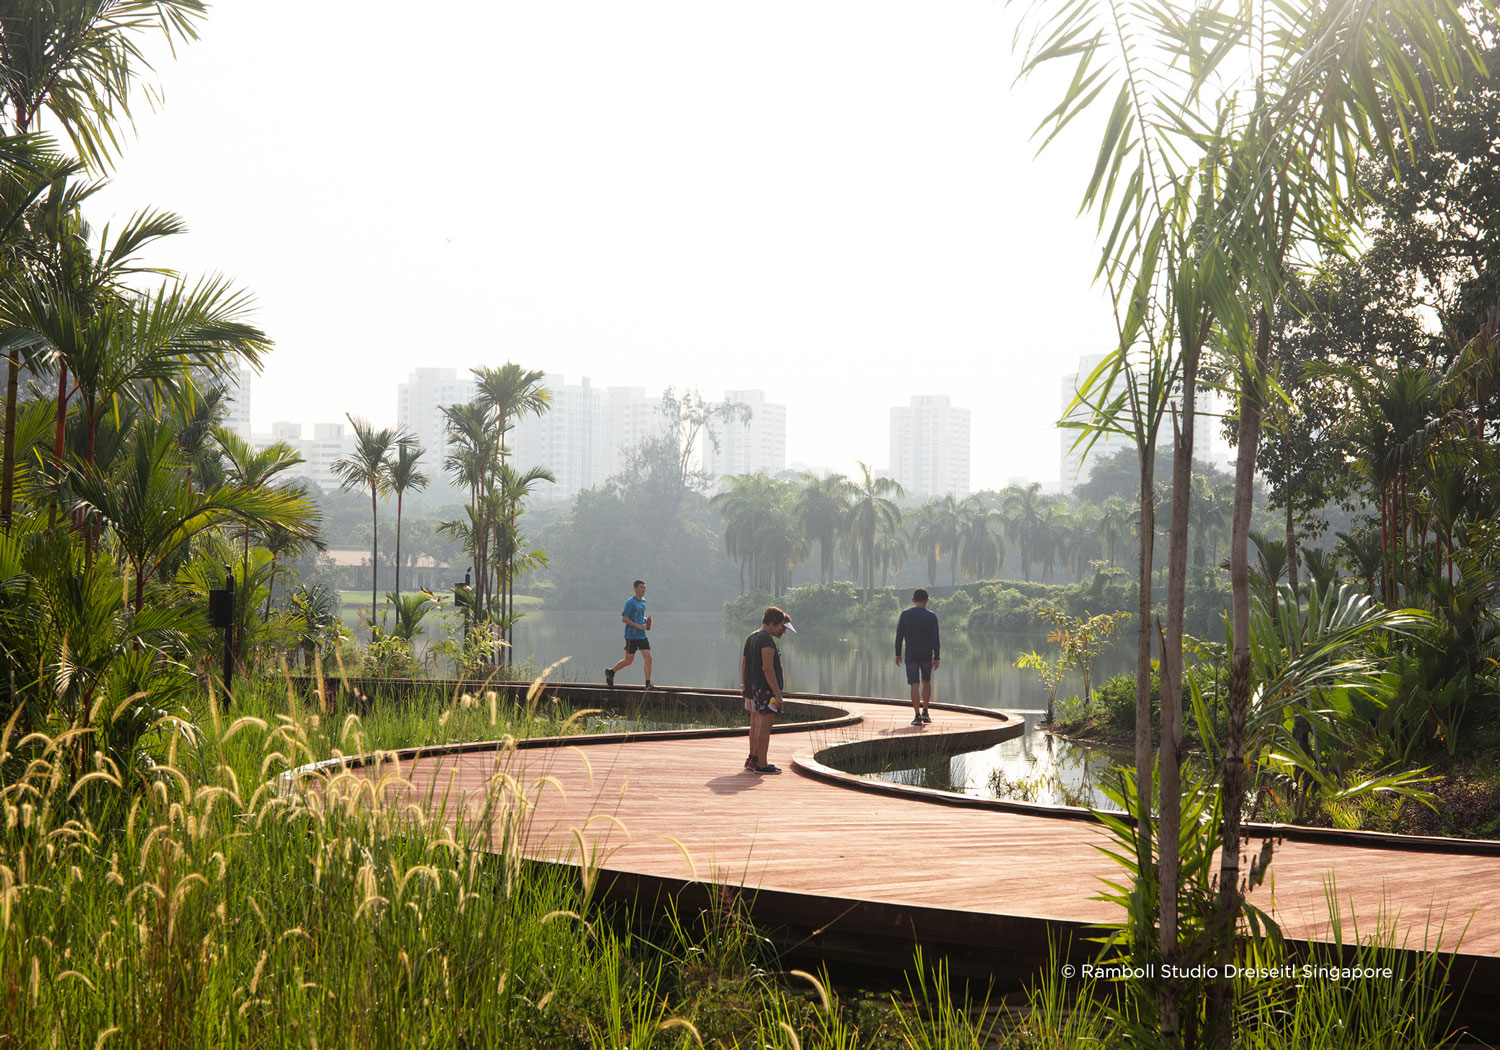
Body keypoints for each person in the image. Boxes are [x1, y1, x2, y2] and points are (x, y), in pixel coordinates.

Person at [740, 605, 795, 774]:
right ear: (773, 622)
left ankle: (754, 760)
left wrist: (745, 685)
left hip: (755, 688)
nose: (782, 631)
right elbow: (767, 668)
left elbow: (744, 663)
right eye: (781, 627)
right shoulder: (766, 640)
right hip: (766, 690)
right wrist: (778, 694)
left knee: (756, 725)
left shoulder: (754, 637)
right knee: (764, 726)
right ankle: (762, 764)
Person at [895, 588, 940, 726]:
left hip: (911, 655)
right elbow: (935, 639)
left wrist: (898, 654)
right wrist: (936, 656)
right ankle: (925, 711)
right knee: (926, 681)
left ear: (913, 600)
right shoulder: (932, 617)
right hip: (926, 654)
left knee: (914, 685)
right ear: (927, 600)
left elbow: (899, 637)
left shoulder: (905, 615)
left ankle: (917, 716)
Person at [606, 579, 653, 689]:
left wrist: (647, 621)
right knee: (628, 661)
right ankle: (611, 672)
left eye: (644, 588)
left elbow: (640, 616)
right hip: (631, 636)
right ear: (635, 589)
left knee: (649, 658)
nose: (643, 590)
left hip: (642, 635)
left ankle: (648, 684)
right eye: (641, 587)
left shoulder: (644, 601)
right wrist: (638, 626)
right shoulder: (630, 602)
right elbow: (624, 619)